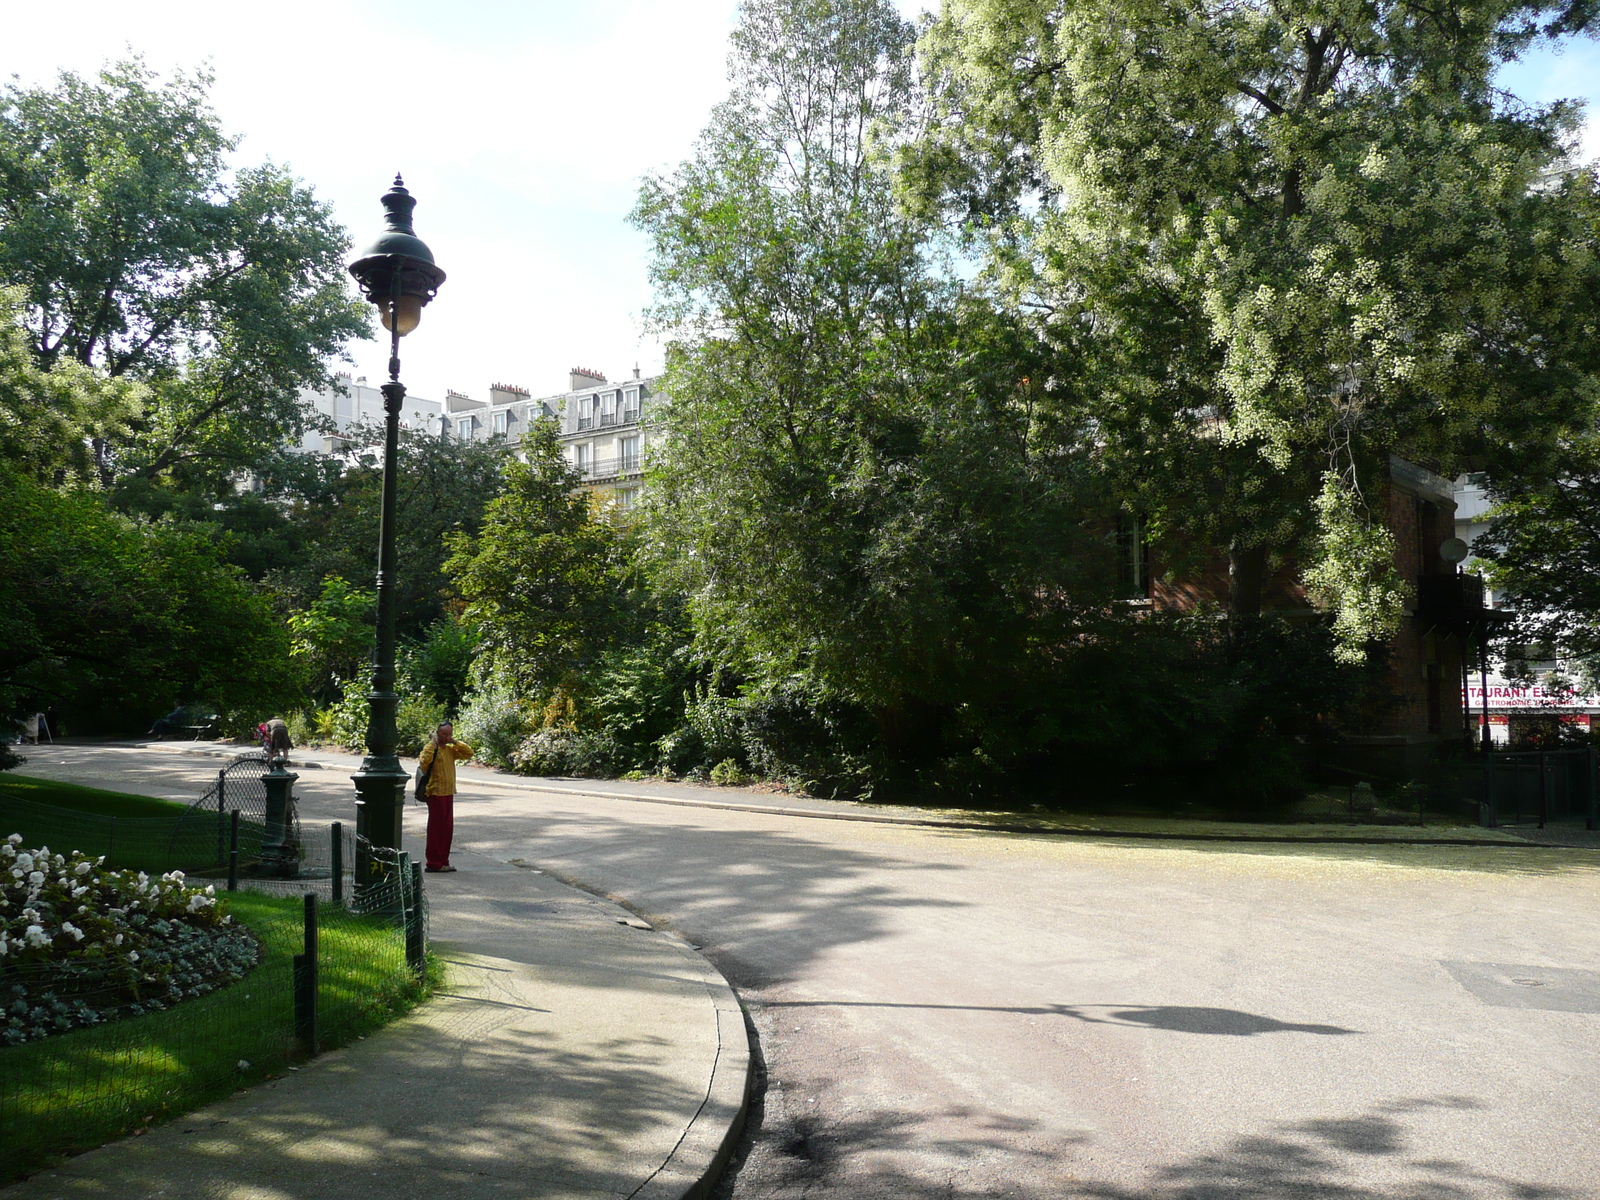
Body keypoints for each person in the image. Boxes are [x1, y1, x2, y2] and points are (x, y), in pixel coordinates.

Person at [417, 722, 473, 873]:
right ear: (438, 733)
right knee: (436, 830)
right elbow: (423, 762)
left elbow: (468, 753)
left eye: (449, 734)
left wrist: (454, 741)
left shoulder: (450, 750)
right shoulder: (432, 748)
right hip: (436, 793)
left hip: (448, 793)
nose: (447, 737)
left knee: (447, 830)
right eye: (444, 734)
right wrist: (432, 744)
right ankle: (433, 862)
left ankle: (443, 861)